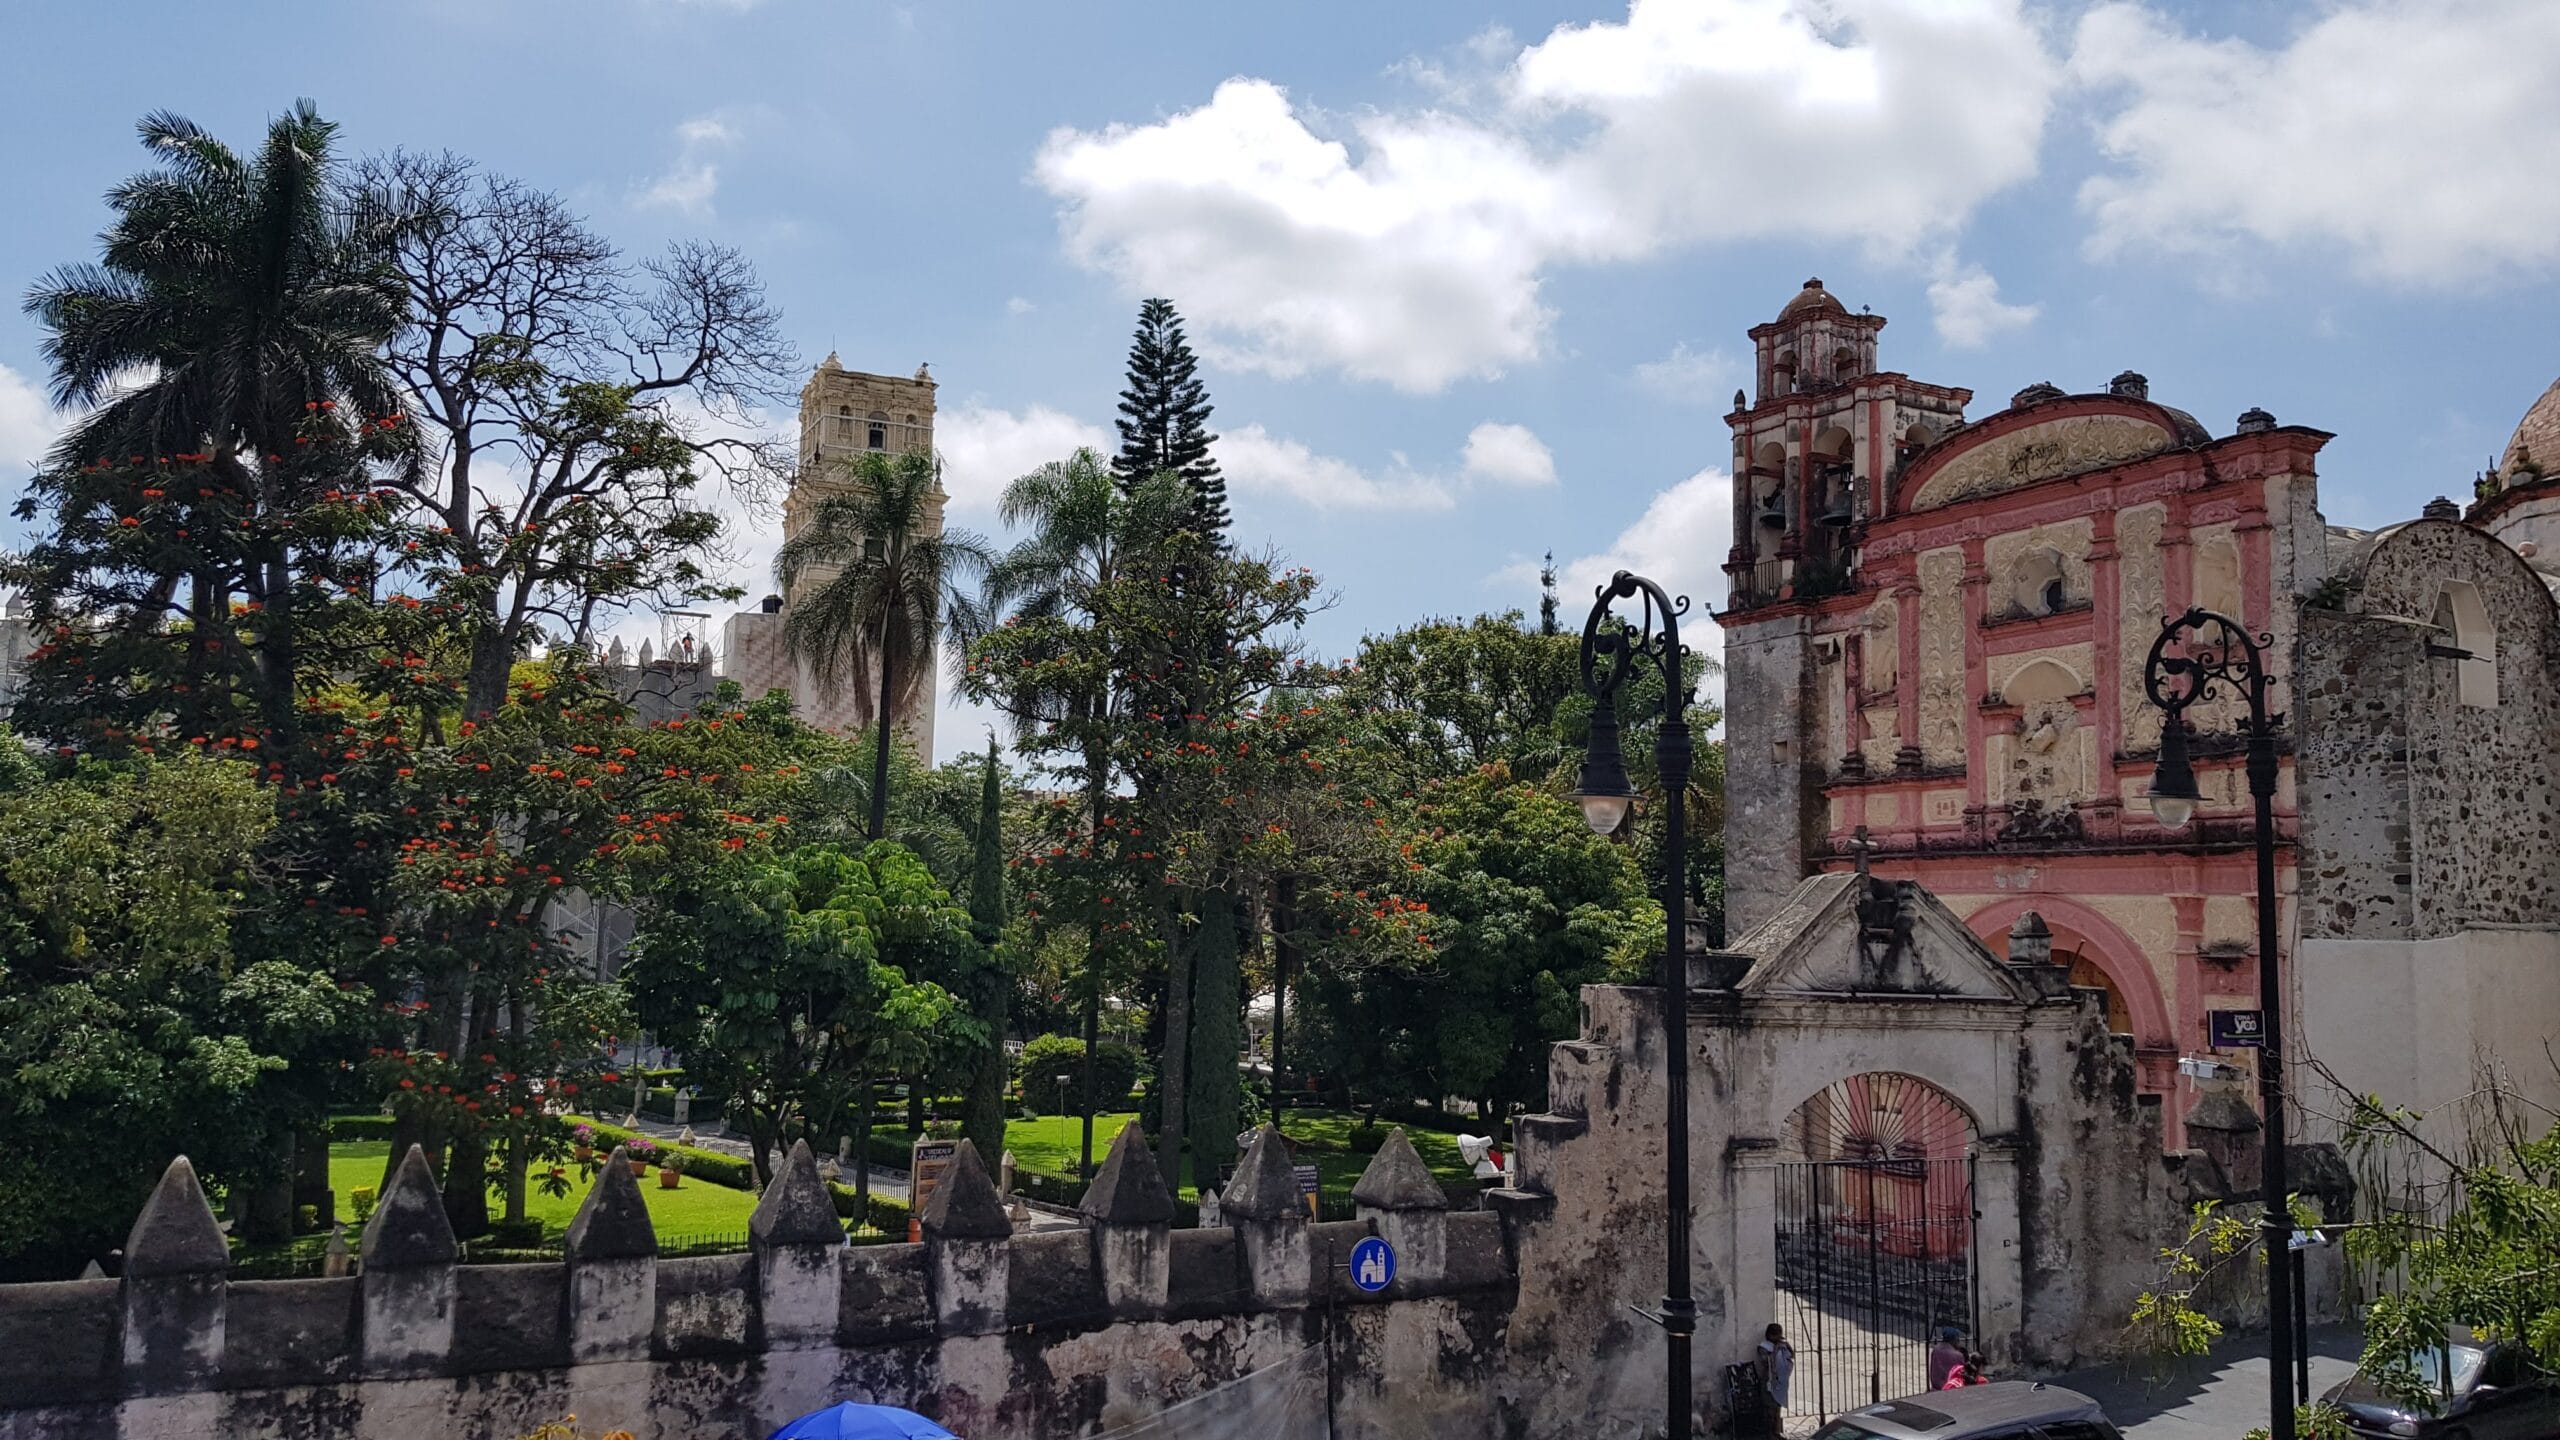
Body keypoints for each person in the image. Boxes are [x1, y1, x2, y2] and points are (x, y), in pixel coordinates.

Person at [1758, 1323, 1795, 1415]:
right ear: (1769, 1335)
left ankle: (1777, 1427)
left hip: (1781, 1380)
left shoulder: (1782, 1345)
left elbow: (1791, 1355)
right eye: (1775, 1335)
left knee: (1778, 1406)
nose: (1777, 1338)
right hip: (1769, 1379)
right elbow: (1767, 1361)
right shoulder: (1763, 1347)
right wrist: (1776, 1349)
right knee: (1769, 1406)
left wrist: (1786, 1346)